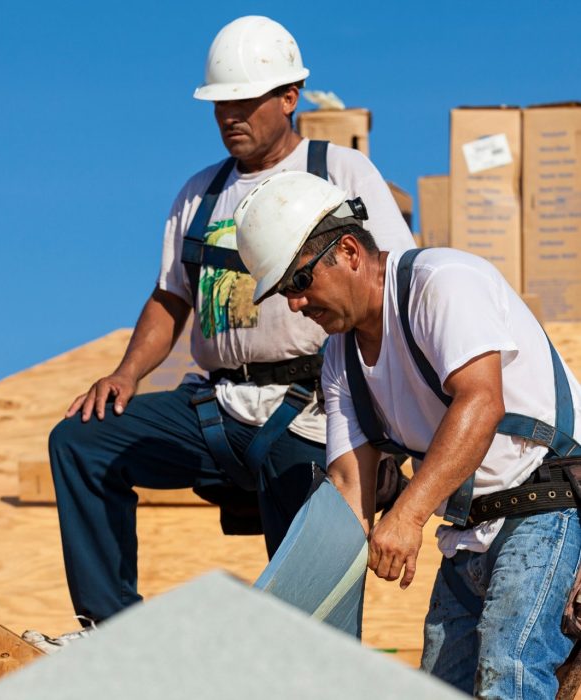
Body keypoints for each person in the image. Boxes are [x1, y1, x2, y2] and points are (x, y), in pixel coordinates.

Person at [23, 16, 414, 653]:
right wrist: (126, 374)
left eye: (245, 101)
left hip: (311, 408)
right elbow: (169, 297)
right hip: (215, 407)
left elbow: (389, 287)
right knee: (82, 442)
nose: (230, 115)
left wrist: (384, 415)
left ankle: (312, 669)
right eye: (220, 103)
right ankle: (111, 632)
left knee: (310, 567)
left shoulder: (340, 172)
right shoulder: (199, 195)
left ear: (290, 97)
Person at [233, 169, 581, 698]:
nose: (295, 304)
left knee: (510, 677)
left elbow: (481, 402)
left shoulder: (441, 283)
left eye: (299, 282)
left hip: (550, 506)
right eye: (283, 292)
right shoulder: (339, 360)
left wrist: (410, 514)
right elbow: (351, 488)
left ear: (349, 251)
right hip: (468, 536)